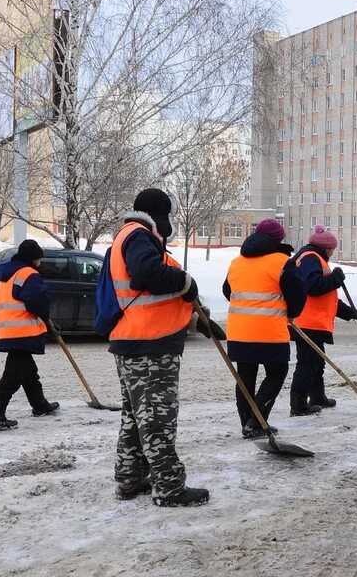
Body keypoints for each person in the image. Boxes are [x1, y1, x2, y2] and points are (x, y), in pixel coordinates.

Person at [95, 188, 208, 508]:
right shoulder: (138, 236)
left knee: (136, 416)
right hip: (149, 345)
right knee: (157, 418)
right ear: (160, 214)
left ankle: (130, 478)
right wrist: (184, 281)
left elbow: (152, 294)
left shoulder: (130, 236)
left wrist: (196, 318)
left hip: (136, 340)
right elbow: (147, 275)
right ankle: (169, 487)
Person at [222, 218, 305, 438]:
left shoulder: (237, 262)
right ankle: (256, 421)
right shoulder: (282, 262)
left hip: (239, 331)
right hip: (269, 330)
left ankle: (247, 423)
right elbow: (296, 295)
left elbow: (226, 290)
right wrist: (290, 312)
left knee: (245, 376)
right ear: (279, 238)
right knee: (277, 372)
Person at [0, 239, 60, 431]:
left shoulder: (7, 276)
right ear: (33, 259)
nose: (40, 263)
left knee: (28, 373)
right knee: (12, 377)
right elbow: (37, 303)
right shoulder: (28, 274)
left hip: (8, 331)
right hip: (22, 332)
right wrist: (46, 318)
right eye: (39, 259)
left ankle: (40, 406)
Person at [289, 225, 357, 416]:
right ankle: (298, 405)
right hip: (307, 322)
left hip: (312, 321)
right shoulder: (310, 258)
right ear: (325, 247)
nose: (332, 252)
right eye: (332, 248)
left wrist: (350, 312)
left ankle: (317, 397)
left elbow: (326, 296)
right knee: (307, 364)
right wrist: (336, 279)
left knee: (316, 362)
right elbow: (313, 286)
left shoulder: (314, 258)